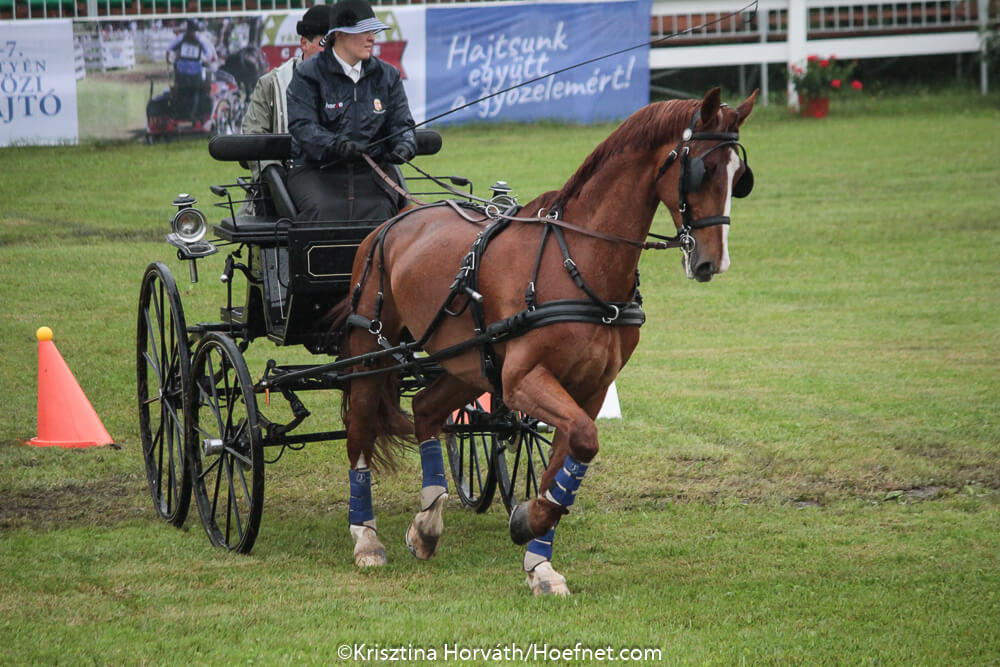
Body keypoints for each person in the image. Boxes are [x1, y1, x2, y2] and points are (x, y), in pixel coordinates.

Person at [286, 0, 417, 223]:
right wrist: (338, 146)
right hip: (316, 170)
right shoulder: (308, 75)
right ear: (339, 35)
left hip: (372, 171)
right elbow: (303, 127)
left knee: (384, 209)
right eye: (364, 31)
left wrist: (404, 146)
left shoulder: (388, 76)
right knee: (325, 209)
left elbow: (402, 125)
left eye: (373, 31)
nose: (372, 38)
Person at [241, 5, 331, 181]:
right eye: (326, 44)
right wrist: (274, 174)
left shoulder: (355, 83)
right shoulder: (271, 84)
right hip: (286, 182)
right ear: (304, 43)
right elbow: (253, 138)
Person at [166, 20, 217, 128]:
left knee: (180, 92)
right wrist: (202, 60)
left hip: (181, 74)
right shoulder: (200, 40)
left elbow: (169, 49)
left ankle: (180, 113)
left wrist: (173, 60)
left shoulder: (181, 38)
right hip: (195, 74)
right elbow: (208, 55)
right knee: (197, 92)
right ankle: (192, 114)